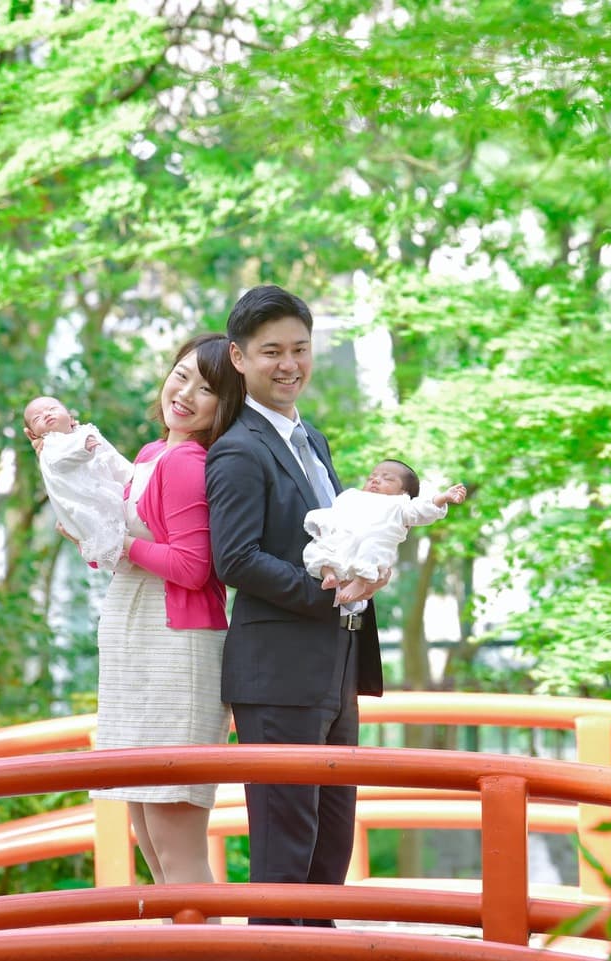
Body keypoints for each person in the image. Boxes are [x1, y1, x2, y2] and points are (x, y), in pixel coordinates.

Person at [30, 333, 243, 889]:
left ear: (226, 405)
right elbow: (121, 546)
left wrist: (118, 545)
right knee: (150, 839)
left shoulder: (188, 462)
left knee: (175, 844)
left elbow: (193, 567)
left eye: (207, 389)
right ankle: (182, 935)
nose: (186, 394)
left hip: (176, 648)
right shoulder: (151, 455)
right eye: (181, 375)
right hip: (138, 639)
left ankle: (202, 937)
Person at [205, 284, 388, 926]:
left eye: (300, 349)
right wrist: (327, 592)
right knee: (286, 859)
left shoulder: (313, 441)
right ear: (239, 358)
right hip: (278, 673)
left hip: (336, 666)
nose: (290, 364)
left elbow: (335, 539)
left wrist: (369, 568)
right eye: (272, 351)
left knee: (329, 854)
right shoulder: (237, 449)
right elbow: (235, 558)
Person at [305, 459, 467, 605]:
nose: (375, 480)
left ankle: (360, 582)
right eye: (371, 477)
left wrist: (443, 497)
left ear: (404, 492)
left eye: (387, 479)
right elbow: (334, 513)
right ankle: (328, 573)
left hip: (371, 548)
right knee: (314, 549)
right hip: (341, 542)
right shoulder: (352, 496)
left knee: (371, 545)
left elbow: (422, 509)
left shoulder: (399, 505)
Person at [23, 395, 135, 570]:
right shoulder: (49, 446)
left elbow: (111, 457)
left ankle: (121, 545)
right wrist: (83, 449)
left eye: (52, 409)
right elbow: (62, 460)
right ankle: (110, 550)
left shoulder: (86, 432)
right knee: (95, 523)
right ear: (32, 434)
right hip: (82, 500)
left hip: (105, 489)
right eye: (37, 418)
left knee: (116, 512)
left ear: (70, 416)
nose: (46, 415)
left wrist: (131, 475)